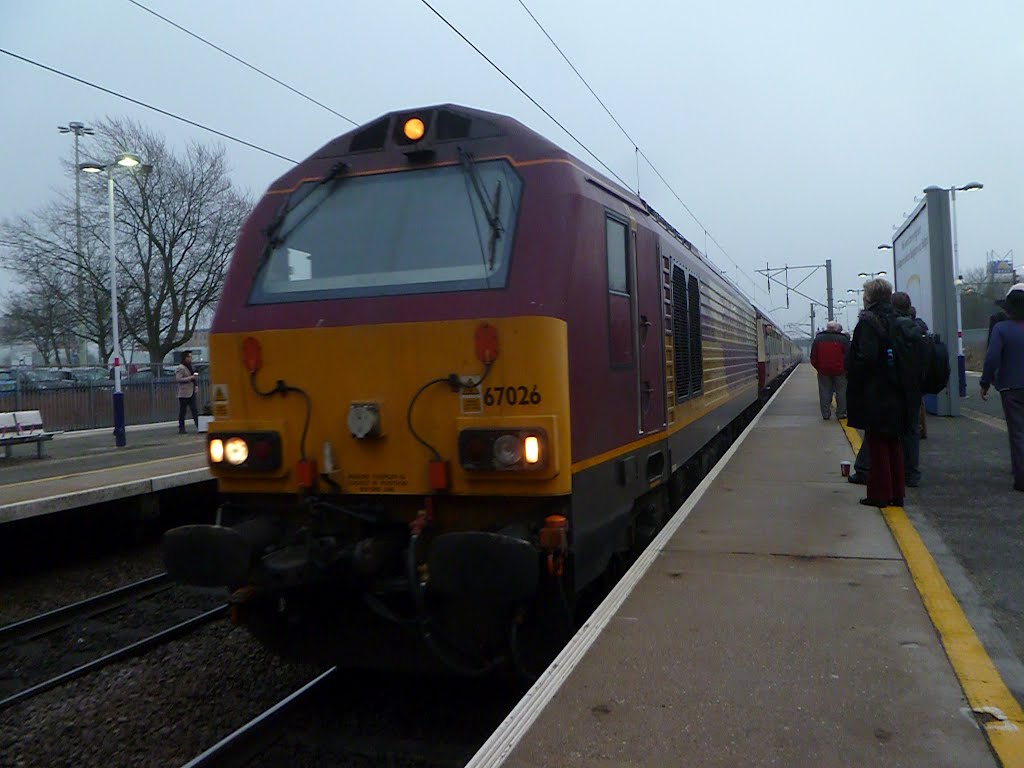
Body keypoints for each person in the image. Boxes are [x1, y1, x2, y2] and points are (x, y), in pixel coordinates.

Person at [846, 279, 921, 507]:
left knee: (877, 444)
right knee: (894, 444)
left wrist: (852, 368)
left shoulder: (869, 322)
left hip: (876, 392)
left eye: (865, 293)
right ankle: (897, 494)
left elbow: (867, 358)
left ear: (869, 297)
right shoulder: (899, 319)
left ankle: (879, 494)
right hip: (898, 391)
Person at [980, 284, 1024, 492]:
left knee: (1018, 433)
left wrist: (985, 382)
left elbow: (991, 358)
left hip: (1011, 387)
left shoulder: (1001, 329)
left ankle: (1022, 478)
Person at [810, 320, 849, 420]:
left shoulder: (818, 339)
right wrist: (845, 368)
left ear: (827, 328)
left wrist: (818, 367)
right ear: (836, 329)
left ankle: (826, 414)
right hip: (840, 371)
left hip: (823, 371)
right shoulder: (843, 339)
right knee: (841, 392)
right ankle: (841, 413)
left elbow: (813, 356)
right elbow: (848, 356)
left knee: (824, 392)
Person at [175, 350, 200, 434]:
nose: (191, 359)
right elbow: (178, 379)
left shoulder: (190, 367)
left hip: (191, 391)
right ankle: (181, 428)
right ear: (185, 358)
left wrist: (195, 385)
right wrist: (191, 378)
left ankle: (199, 426)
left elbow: (193, 378)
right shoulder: (181, 368)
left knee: (194, 410)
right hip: (184, 393)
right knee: (183, 411)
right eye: (189, 357)